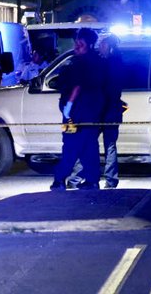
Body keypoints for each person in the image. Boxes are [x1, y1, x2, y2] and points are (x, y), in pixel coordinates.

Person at [50, 27, 104, 191]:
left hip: (76, 113)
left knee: (70, 146)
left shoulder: (80, 63)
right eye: (76, 42)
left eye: (80, 43)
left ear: (89, 44)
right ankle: (92, 180)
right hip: (92, 113)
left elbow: (77, 86)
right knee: (89, 147)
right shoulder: (98, 61)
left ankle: (59, 180)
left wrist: (69, 106)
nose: (76, 46)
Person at [97, 33, 124, 188]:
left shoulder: (107, 64)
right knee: (110, 145)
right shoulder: (118, 62)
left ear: (108, 46)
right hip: (113, 111)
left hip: (103, 111)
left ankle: (88, 177)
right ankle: (111, 179)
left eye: (102, 44)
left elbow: (103, 88)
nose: (99, 47)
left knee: (91, 143)